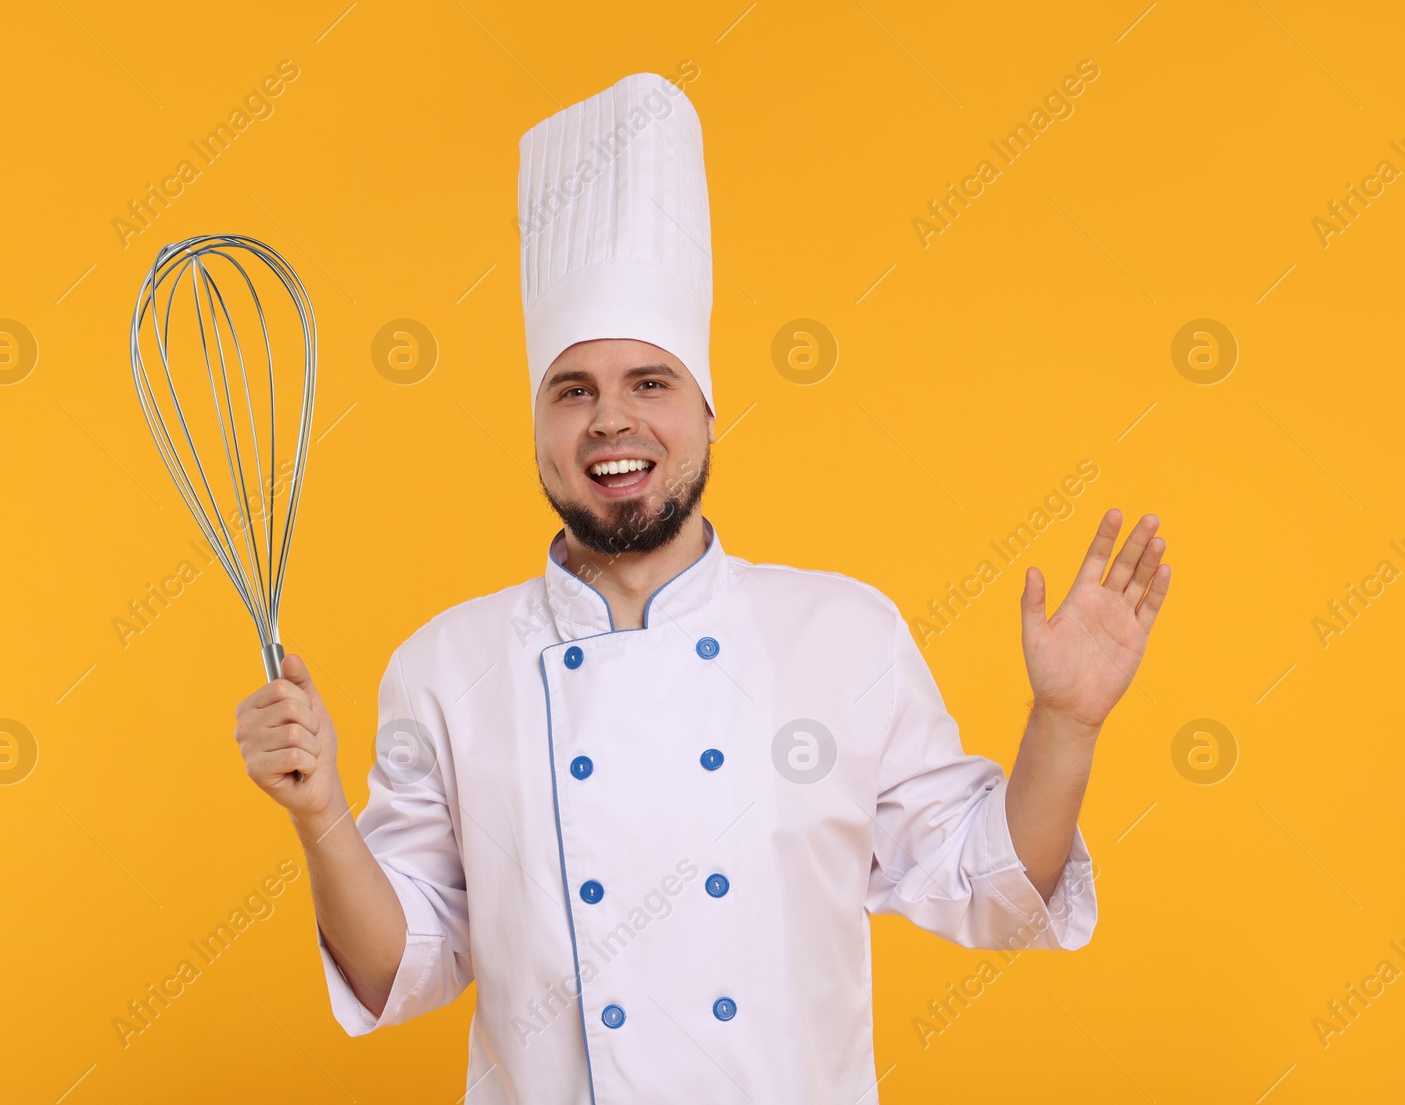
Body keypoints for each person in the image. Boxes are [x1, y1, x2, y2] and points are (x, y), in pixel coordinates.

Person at [232, 72, 1170, 1104]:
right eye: (573, 390)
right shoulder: (445, 666)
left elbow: (993, 890)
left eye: (650, 382)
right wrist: (318, 812)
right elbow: (394, 965)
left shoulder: (840, 634)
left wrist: (1066, 724)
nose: (609, 423)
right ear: (538, 423)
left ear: (709, 412)